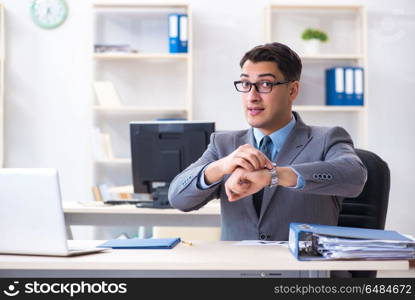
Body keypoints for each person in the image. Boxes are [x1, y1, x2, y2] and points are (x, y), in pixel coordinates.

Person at [168, 42, 367, 242]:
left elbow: (354, 176)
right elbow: (178, 198)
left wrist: (273, 176)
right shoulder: (223, 144)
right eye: (246, 84)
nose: (252, 97)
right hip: (238, 270)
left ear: (292, 90)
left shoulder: (327, 138)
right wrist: (219, 167)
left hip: (301, 269)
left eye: (265, 84)